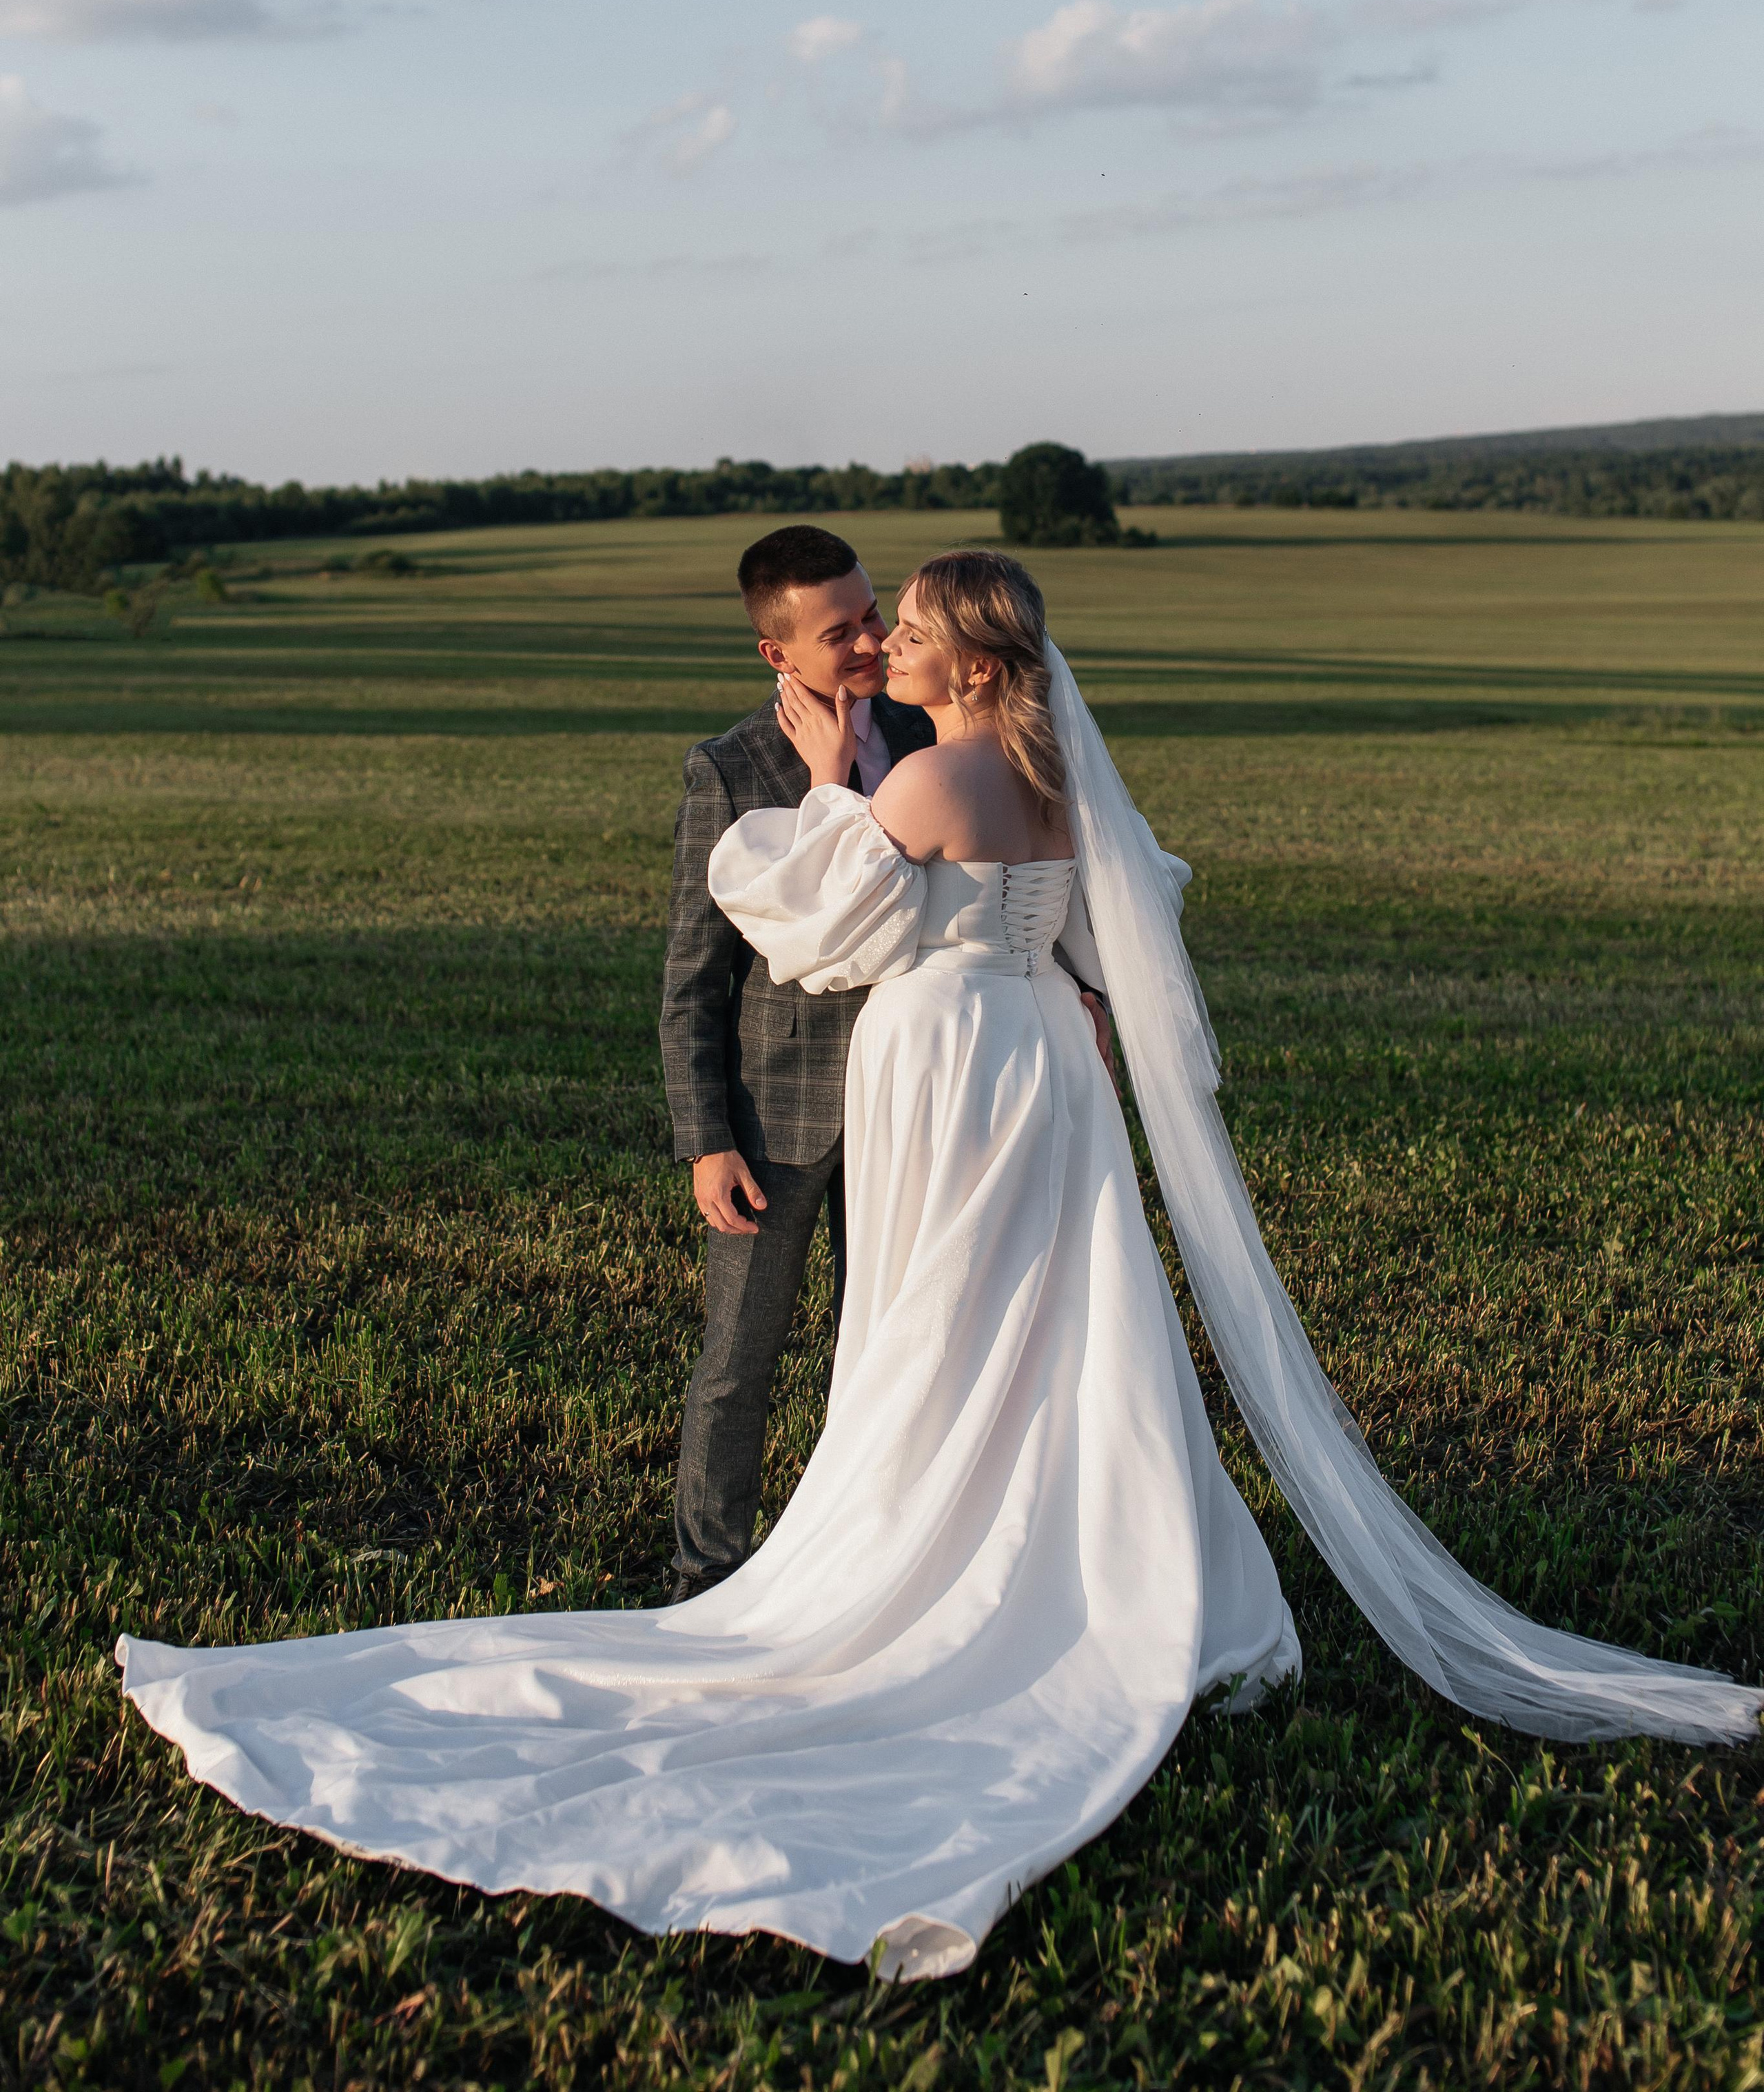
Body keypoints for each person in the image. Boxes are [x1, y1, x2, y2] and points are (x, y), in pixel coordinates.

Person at [117, 551, 1758, 1982]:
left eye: (907, 629)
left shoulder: (921, 783)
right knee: (1058, 1323)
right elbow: (1115, 916)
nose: (886, 646)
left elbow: (794, 919)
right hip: (1042, 1061)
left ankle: (941, 1567)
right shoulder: (1054, 779)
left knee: (939, 1331)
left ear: (968, 664)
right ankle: (1106, 1557)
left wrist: (823, 789)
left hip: (949, 1067)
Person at [658, 523, 936, 1600]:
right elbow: (695, 979)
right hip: (778, 1115)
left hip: (915, 1098)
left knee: (891, 1350)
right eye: (841, 632)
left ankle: (861, 1568)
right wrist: (707, 1141)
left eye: (873, 614)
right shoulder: (729, 768)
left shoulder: (926, 730)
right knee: (740, 1359)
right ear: (777, 654)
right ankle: (706, 1572)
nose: (872, 642)